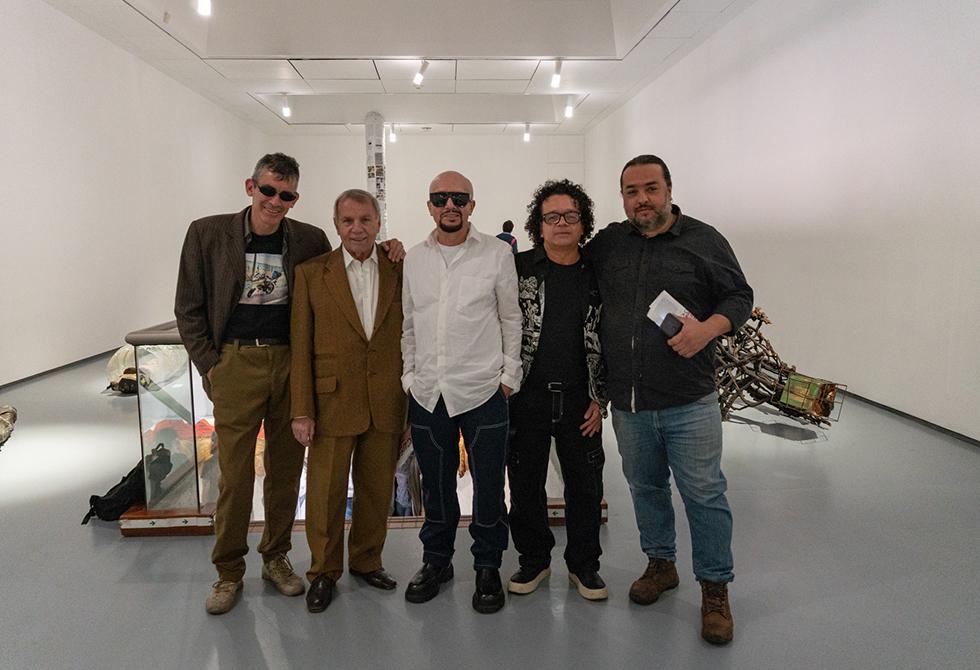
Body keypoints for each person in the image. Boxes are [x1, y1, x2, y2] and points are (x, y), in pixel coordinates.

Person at [587, 154, 753, 644]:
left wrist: (709, 329)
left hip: (689, 401)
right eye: (632, 191)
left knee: (704, 494)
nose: (642, 199)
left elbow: (739, 296)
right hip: (631, 405)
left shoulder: (704, 240)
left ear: (669, 190)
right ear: (622, 197)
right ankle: (661, 564)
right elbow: (565, 260)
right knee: (646, 488)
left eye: (651, 188)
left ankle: (715, 589)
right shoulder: (611, 243)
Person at [175, 153, 329, 615]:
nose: (275, 201)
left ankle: (276, 557)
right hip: (235, 362)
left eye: (286, 195)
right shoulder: (207, 233)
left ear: (295, 198)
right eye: (268, 190)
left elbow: (333, 290)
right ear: (250, 186)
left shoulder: (309, 239)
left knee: (286, 469)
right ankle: (228, 571)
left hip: (290, 364)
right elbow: (188, 307)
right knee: (236, 476)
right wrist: (212, 366)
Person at [401, 171, 522, 614]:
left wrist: (509, 377)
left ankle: (488, 565)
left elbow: (511, 317)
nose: (449, 205)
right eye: (440, 198)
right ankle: (437, 560)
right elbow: (409, 323)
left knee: (489, 487)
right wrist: (409, 376)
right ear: (429, 206)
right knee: (435, 487)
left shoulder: (496, 254)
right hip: (428, 391)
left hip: (483, 390)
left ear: (472, 205)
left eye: (458, 198)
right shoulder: (415, 258)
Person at [290, 189, 407, 613]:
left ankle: (366, 560)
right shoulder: (311, 274)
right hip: (331, 401)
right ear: (336, 225)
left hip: (386, 399)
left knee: (376, 490)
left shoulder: (400, 268)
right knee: (326, 493)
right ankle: (323, 570)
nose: (357, 228)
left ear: (378, 222)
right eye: (348, 221)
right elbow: (300, 346)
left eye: (365, 220)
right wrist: (301, 409)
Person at [507, 180, 608, 601]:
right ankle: (534, 560)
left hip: (580, 400)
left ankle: (584, 566)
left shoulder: (599, 272)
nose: (561, 223)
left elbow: (611, 335)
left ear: (583, 223)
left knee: (586, 487)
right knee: (524, 485)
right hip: (526, 396)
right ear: (539, 224)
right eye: (552, 216)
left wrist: (602, 398)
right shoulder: (517, 268)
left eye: (570, 215)